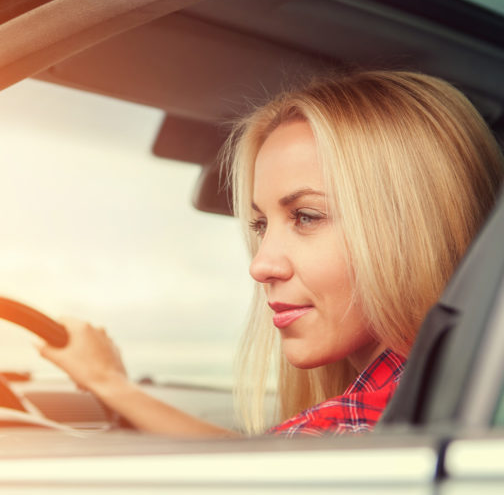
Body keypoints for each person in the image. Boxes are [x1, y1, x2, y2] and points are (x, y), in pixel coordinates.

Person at [39, 70, 504, 437]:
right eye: (261, 225)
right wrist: (110, 384)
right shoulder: (443, 396)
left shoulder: (348, 430)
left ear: (411, 227)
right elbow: (242, 467)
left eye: (306, 216)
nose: (260, 265)